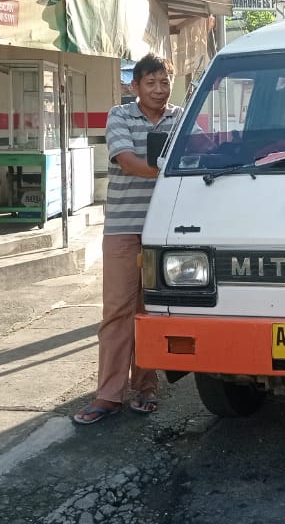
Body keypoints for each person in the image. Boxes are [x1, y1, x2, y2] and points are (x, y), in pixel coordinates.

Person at [74, 54, 182, 425]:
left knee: (150, 311)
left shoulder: (180, 118)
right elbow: (127, 161)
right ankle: (108, 394)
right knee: (117, 311)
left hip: (165, 230)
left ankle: (147, 387)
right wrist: (175, 170)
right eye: (150, 82)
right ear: (134, 86)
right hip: (123, 228)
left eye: (164, 81)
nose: (159, 89)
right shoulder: (119, 116)